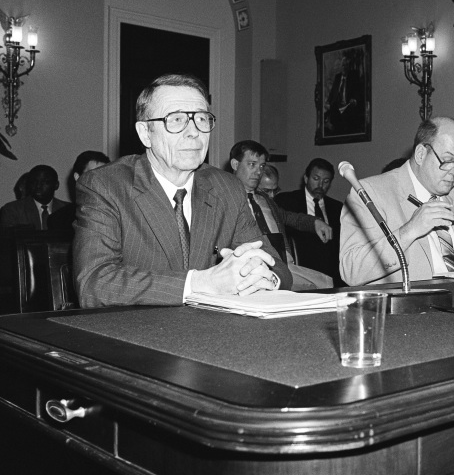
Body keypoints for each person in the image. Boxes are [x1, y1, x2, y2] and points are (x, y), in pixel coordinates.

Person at [73, 73, 291, 308]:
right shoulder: (105, 185)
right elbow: (93, 284)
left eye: (202, 119)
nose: (194, 131)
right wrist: (200, 283)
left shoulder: (227, 187)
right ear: (145, 133)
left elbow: (277, 267)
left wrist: (264, 279)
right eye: (176, 119)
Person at [339, 116, 454, 285]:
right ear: (420, 154)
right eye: (448, 160)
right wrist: (410, 230)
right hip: (407, 308)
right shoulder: (370, 193)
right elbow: (351, 271)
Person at [229, 140, 333, 290]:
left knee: (327, 285)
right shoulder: (226, 198)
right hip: (254, 268)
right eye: (252, 164)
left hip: (284, 264)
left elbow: (289, 217)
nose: (258, 172)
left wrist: (315, 222)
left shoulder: (265, 199)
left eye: (262, 166)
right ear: (235, 164)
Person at [276, 158, 344, 285]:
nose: (320, 185)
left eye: (326, 181)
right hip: (300, 268)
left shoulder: (337, 207)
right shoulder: (286, 201)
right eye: (316, 179)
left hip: (331, 272)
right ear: (306, 178)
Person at [48, 150, 111, 233]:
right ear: (77, 177)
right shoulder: (59, 219)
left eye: (103, 176)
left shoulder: (120, 213)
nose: (99, 181)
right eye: (92, 175)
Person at [1, 164, 68, 230]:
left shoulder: (68, 210)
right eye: (34, 182)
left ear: (56, 185)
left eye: (45, 182)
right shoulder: (12, 210)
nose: (38, 186)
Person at [325, 52, 365, 136]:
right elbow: (333, 93)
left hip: (347, 105)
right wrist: (328, 102)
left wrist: (355, 100)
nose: (344, 67)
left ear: (349, 67)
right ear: (340, 67)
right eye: (343, 65)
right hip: (336, 106)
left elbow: (358, 91)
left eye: (346, 65)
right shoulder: (337, 77)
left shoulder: (353, 76)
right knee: (330, 113)